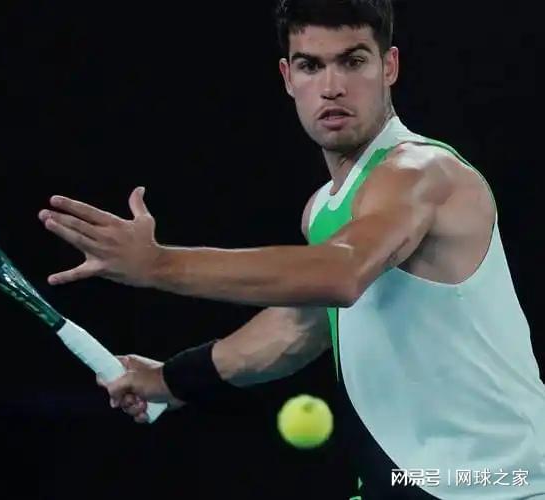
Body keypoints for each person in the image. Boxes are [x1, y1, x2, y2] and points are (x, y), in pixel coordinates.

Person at [37, 0, 545, 498]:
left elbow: (341, 274)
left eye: (353, 61)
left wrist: (159, 264)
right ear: (287, 77)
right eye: (311, 65)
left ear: (389, 66)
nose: (332, 86)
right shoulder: (322, 209)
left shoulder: (422, 171)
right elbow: (297, 328)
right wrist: (171, 380)